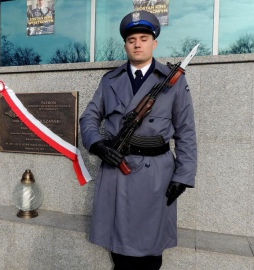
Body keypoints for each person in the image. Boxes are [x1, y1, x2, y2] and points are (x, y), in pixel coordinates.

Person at [79, 10, 197, 270]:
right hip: (117, 168)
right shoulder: (110, 80)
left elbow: (186, 130)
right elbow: (88, 118)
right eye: (132, 39)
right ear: (125, 45)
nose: (138, 43)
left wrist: (183, 175)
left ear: (154, 43)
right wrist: (98, 145)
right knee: (119, 249)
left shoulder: (172, 81)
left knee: (150, 251)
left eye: (144, 38)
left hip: (155, 174)